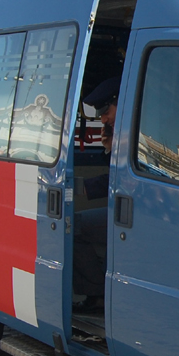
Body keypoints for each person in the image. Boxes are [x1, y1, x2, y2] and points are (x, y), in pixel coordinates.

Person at [73, 75, 120, 313]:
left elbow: (119, 178)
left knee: (74, 227)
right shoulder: (124, 129)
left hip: (130, 213)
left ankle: (97, 292)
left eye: (105, 110)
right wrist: (109, 148)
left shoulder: (135, 131)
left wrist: (84, 187)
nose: (103, 118)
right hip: (123, 210)